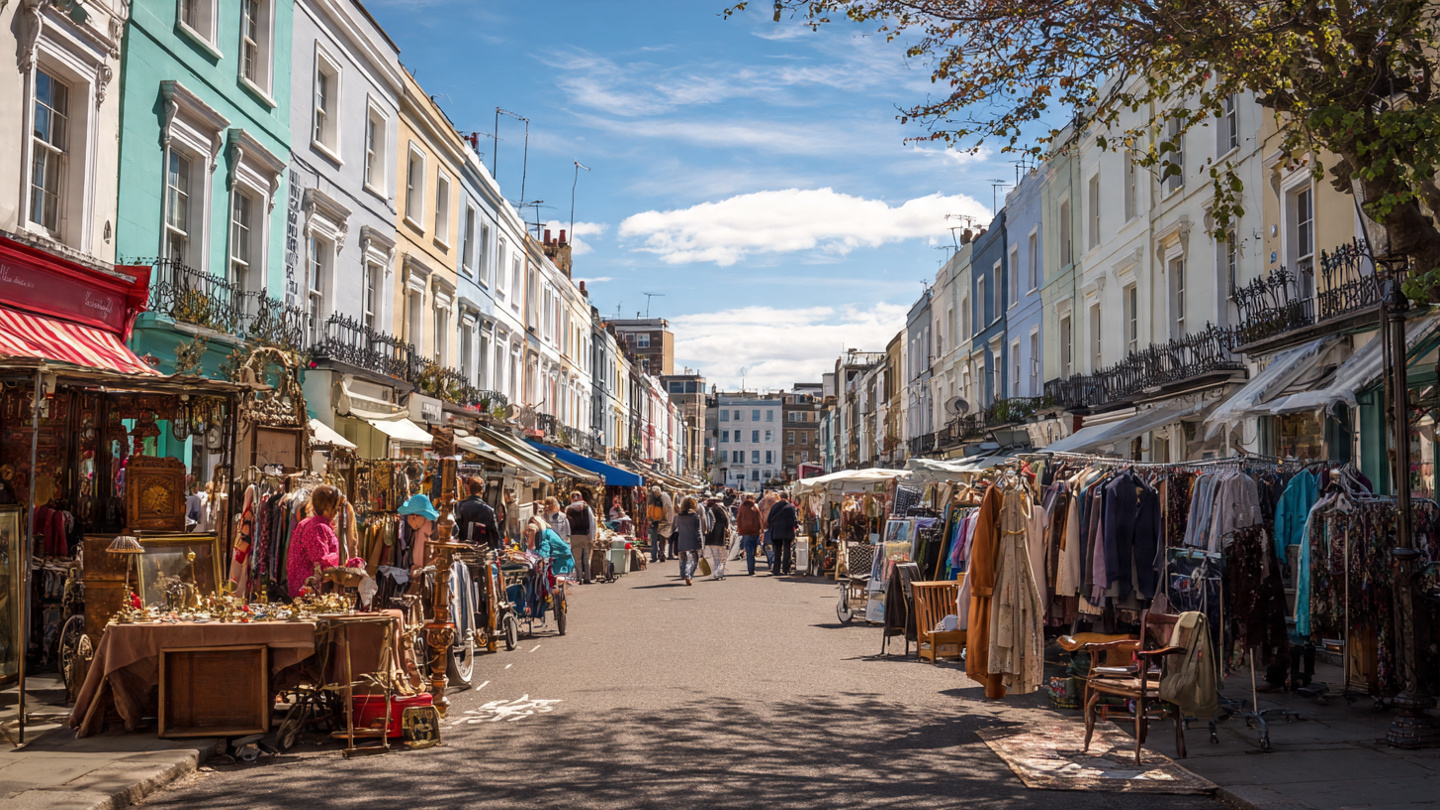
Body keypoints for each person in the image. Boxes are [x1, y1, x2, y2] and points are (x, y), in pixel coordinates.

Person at [286, 484, 364, 598]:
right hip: (309, 590)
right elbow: (322, 561)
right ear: (327, 508)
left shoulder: (308, 523)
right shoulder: (318, 527)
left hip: (301, 586)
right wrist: (347, 563)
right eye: (335, 508)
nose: (336, 512)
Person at [454, 476, 501, 550]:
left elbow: (455, 530)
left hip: (461, 551)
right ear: (482, 490)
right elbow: (494, 536)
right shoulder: (489, 510)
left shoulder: (459, 506)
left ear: (468, 489)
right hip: (481, 554)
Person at [672, 495, 709, 585]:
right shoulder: (694, 516)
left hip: (681, 541)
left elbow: (673, 528)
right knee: (693, 560)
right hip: (692, 541)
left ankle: (683, 574)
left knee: (682, 559)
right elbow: (698, 530)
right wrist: (700, 543)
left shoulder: (678, 516)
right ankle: (688, 575)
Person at [399, 494, 439, 572]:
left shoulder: (435, 533)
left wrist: (424, 570)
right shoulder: (415, 532)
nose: (409, 520)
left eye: (412, 517)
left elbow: (440, 559)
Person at [565, 491, 598, 584]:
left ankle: (579, 578)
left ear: (571, 498)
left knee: (577, 559)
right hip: (585, 535)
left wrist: (568, 537)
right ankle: (587, 577)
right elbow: (592, 523)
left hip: (573, 536)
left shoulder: (568, 509)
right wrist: (592, 537)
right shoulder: (587, 508)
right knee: (587, 558)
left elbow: (566, 524)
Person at [767, 493, 799, 576]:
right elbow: (794, 519)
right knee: (787, 550)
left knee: (777, 551)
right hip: (787, 531)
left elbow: (769, 519)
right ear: (787, 498)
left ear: (780, 497)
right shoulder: (791, 507)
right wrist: (795, 526)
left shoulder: (774, 506)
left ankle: (776, 569)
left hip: (776, 531)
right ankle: (786, 569)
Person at [735, 493, 764, 575]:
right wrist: (761, 529)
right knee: (753, 550)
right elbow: (759, 519)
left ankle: (750, 569)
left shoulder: (742, 507)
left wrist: (739, 529)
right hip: (755, 532)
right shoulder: (756, 507)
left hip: (745, 531)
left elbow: (738, 518)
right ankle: (752, 567)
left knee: (748, 551)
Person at [703, 497, 730, 580]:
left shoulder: (706, 510)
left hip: (711, 537)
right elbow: (726, 521)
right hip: (721, 536)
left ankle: (716, 573)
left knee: (715, 557)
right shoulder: (721, 509)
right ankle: (719, 573)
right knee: (722, 557)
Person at [646, 485, 674, 563]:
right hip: (655, 521)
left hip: (663, 521)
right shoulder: (652, 498)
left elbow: (666, 509)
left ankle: (661, 554)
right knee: (654, 539)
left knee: (662, 538)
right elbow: (649, 509)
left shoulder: (664, 497)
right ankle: (655, 556)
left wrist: (664, 520)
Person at [757, 489, 781, 569]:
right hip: (777, 527)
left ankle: (772, 561)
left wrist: (761, 527)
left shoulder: (762, 503)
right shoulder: (778, 503)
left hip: (767, 527)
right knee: (775, 546)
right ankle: (773, 561)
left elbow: (760, 516)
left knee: (767, 546)